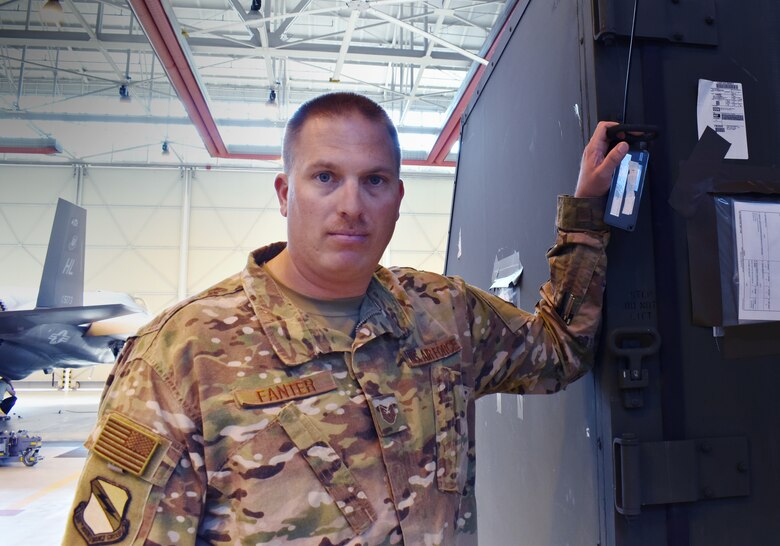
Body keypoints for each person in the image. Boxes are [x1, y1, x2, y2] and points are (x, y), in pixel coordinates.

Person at [63, 92, 628, 546]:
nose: (352, 206)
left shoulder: (441, 313)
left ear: (399, 197)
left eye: (374, 181)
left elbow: (558, 352)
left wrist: (585, 212)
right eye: (326, 177)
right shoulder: (182, 357)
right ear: (286, 193)